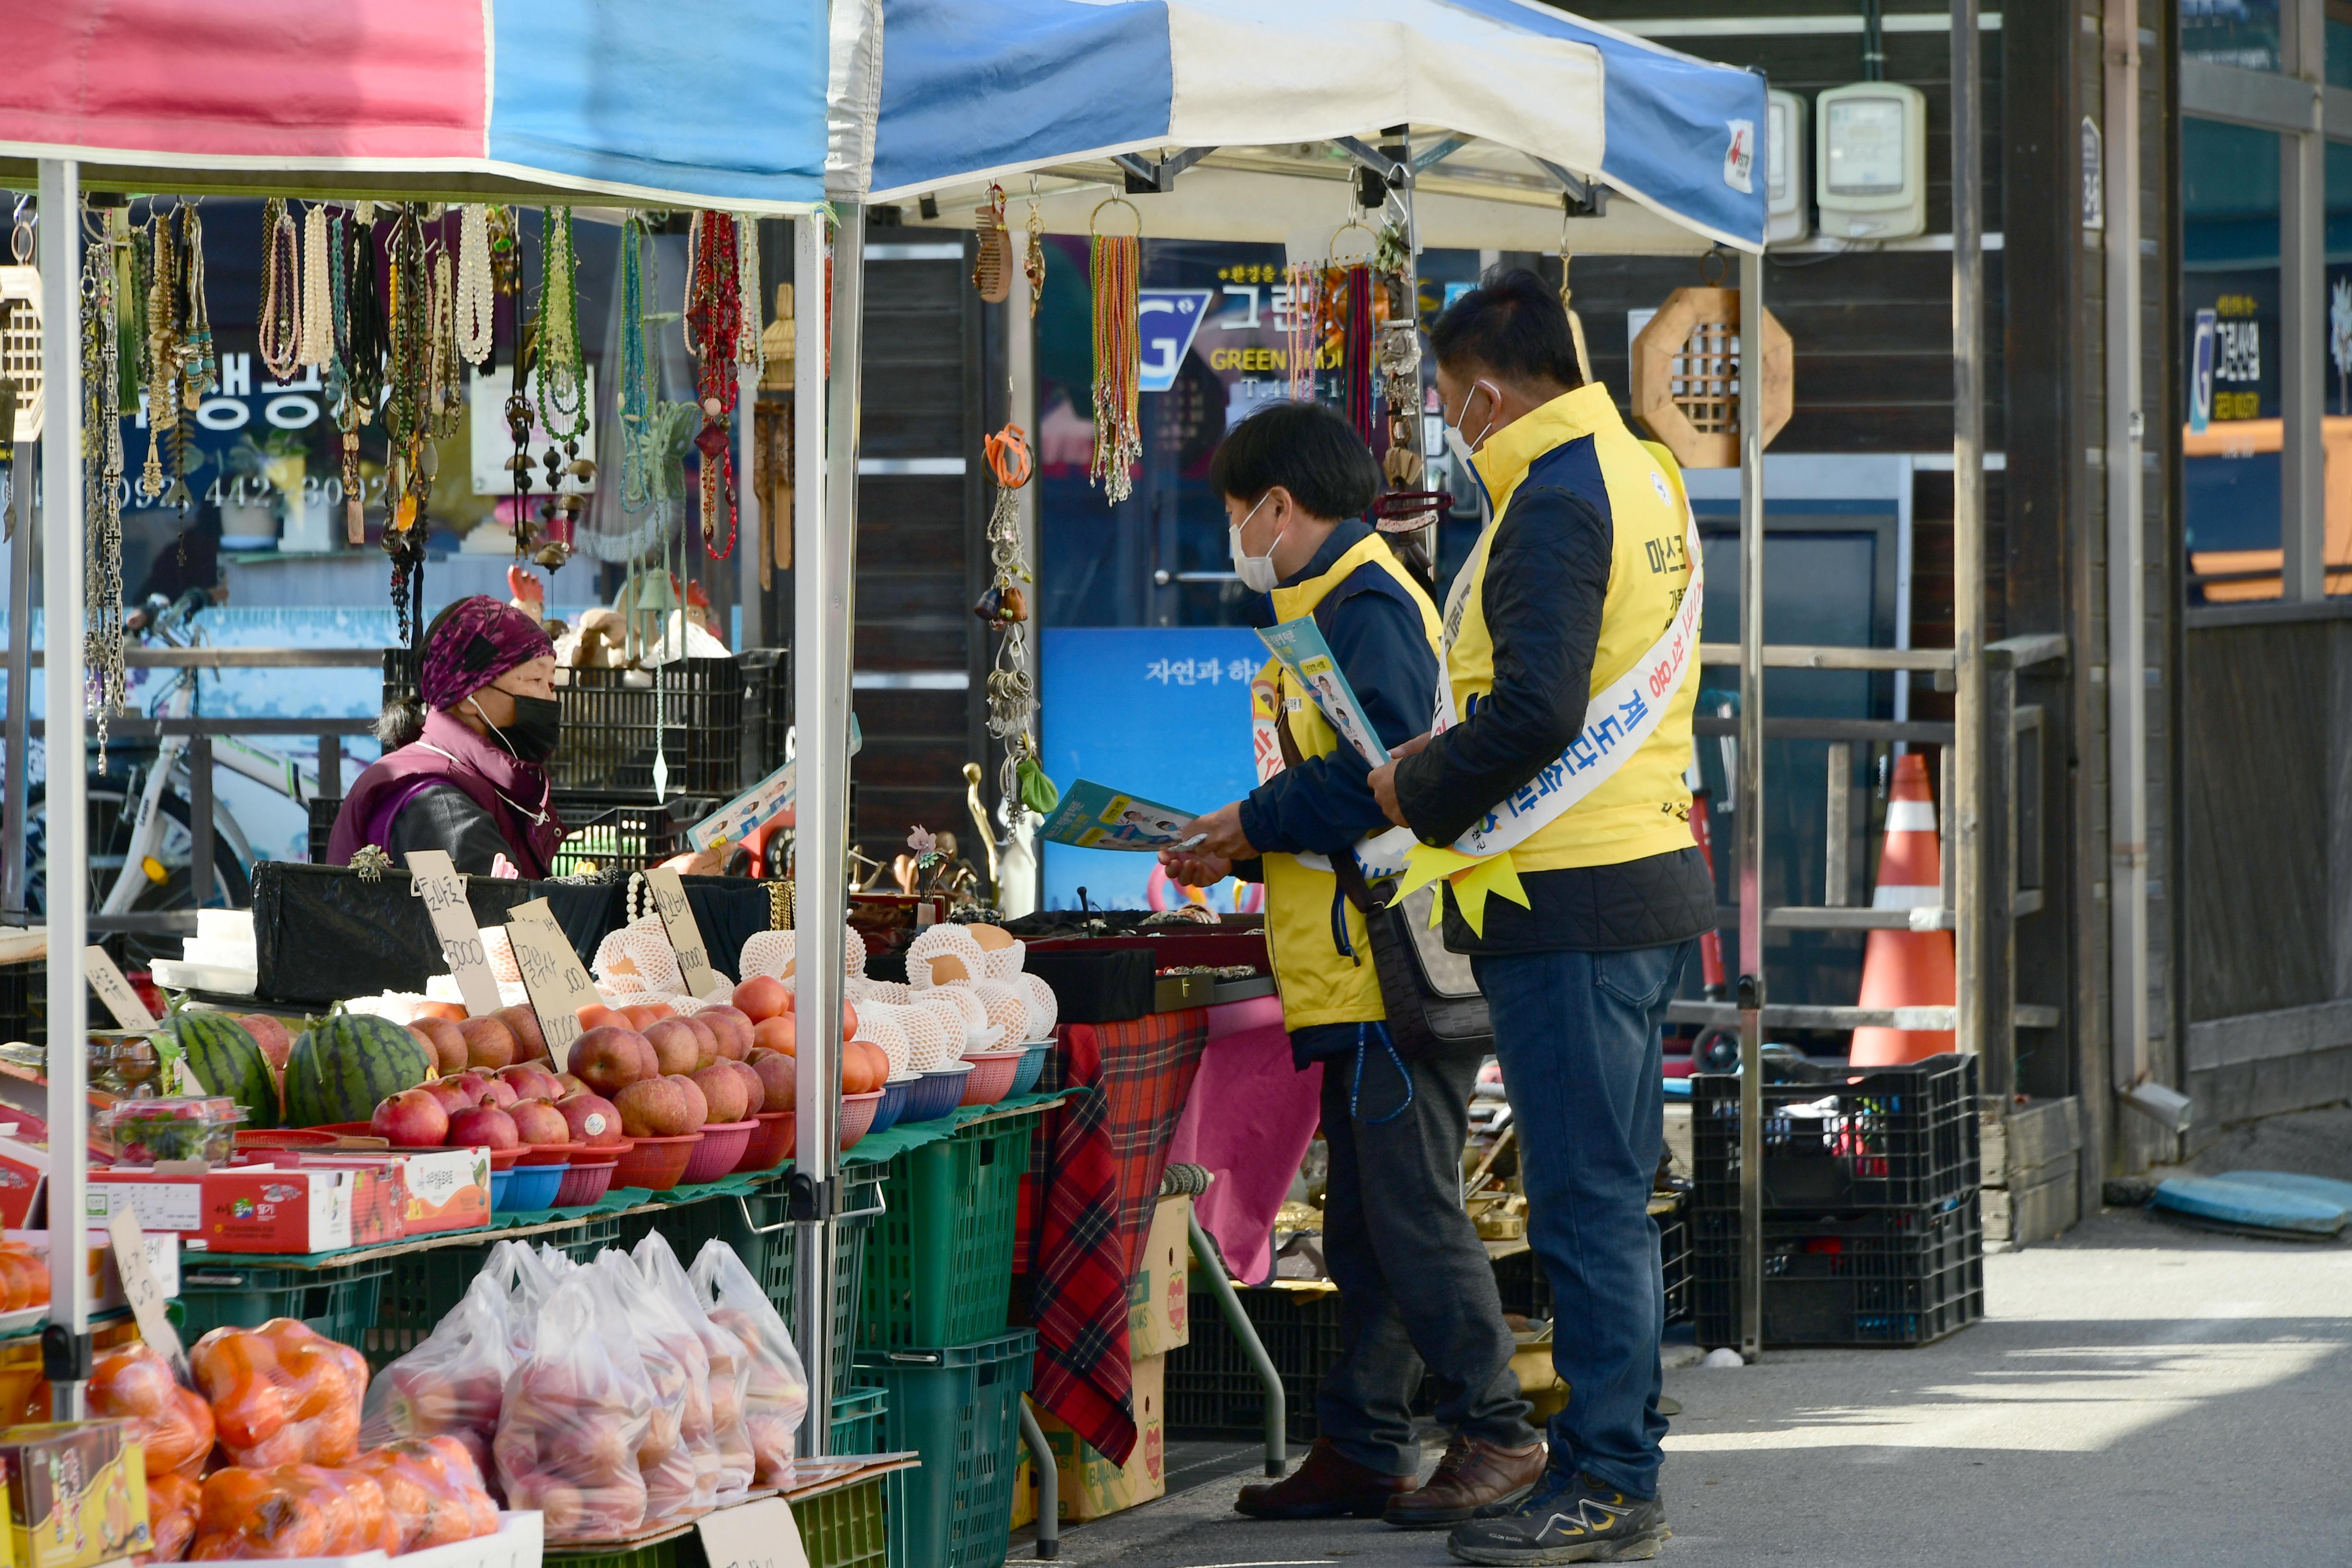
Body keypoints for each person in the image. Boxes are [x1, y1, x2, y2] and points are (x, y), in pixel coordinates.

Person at [1364, 269, 1713, 1565]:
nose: (1453, 434)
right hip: (1629, 878)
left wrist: (1414, 782)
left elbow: (1536, 711)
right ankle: (1602, 1455)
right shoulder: (1639, 472)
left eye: (1453, 410)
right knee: (1605, 1193)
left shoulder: (1552, 501)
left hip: (1566, 894)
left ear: (1486, 393)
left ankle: (1611, 1475)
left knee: (1579, 1202)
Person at [1160, 400, 1545, 1529]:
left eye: (1239, 514)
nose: (1236, 537)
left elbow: (1385, 777)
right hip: (1350, 967)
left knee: (1412, 1214)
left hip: (1391, 971)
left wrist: (1250, 820)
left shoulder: (1366, 603)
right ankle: (1363, 1442)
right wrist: (1243, 839)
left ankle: (1496, 1431)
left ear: (1282, 507)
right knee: (1368, 1227)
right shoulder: (1331, 600)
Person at [329, 596, 572, 879]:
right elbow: (495, 914)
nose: (549, 698)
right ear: (469, 696)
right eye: (535, 681)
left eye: (552, 683)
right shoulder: (435, 802)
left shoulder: (482, 784)